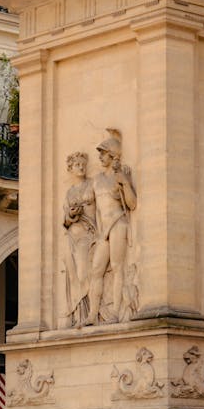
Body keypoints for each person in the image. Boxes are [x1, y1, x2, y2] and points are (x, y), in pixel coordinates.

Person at [85, 129, 137, 325]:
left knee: (117, 267)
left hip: (118, 223)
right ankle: (93, 314)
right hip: (103, 230)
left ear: (113, 155)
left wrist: (125, 182)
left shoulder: (121, 176)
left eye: (103, 153)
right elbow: (93, 208)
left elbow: (131, 204)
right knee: (96, 271)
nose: (99, 156)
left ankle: (116, 311)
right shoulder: (97, 180)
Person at [62, 151, 96, 327]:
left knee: (84, 273)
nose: (81, 167)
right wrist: (71, 214)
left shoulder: (92, 185)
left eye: (83, 164)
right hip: (72, 238)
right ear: (70, 168)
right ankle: (78, 314)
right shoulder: (69, 192)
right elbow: (65, 220)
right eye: (77, 165)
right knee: (73, 275)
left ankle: (90, 313)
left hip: (87, 236)